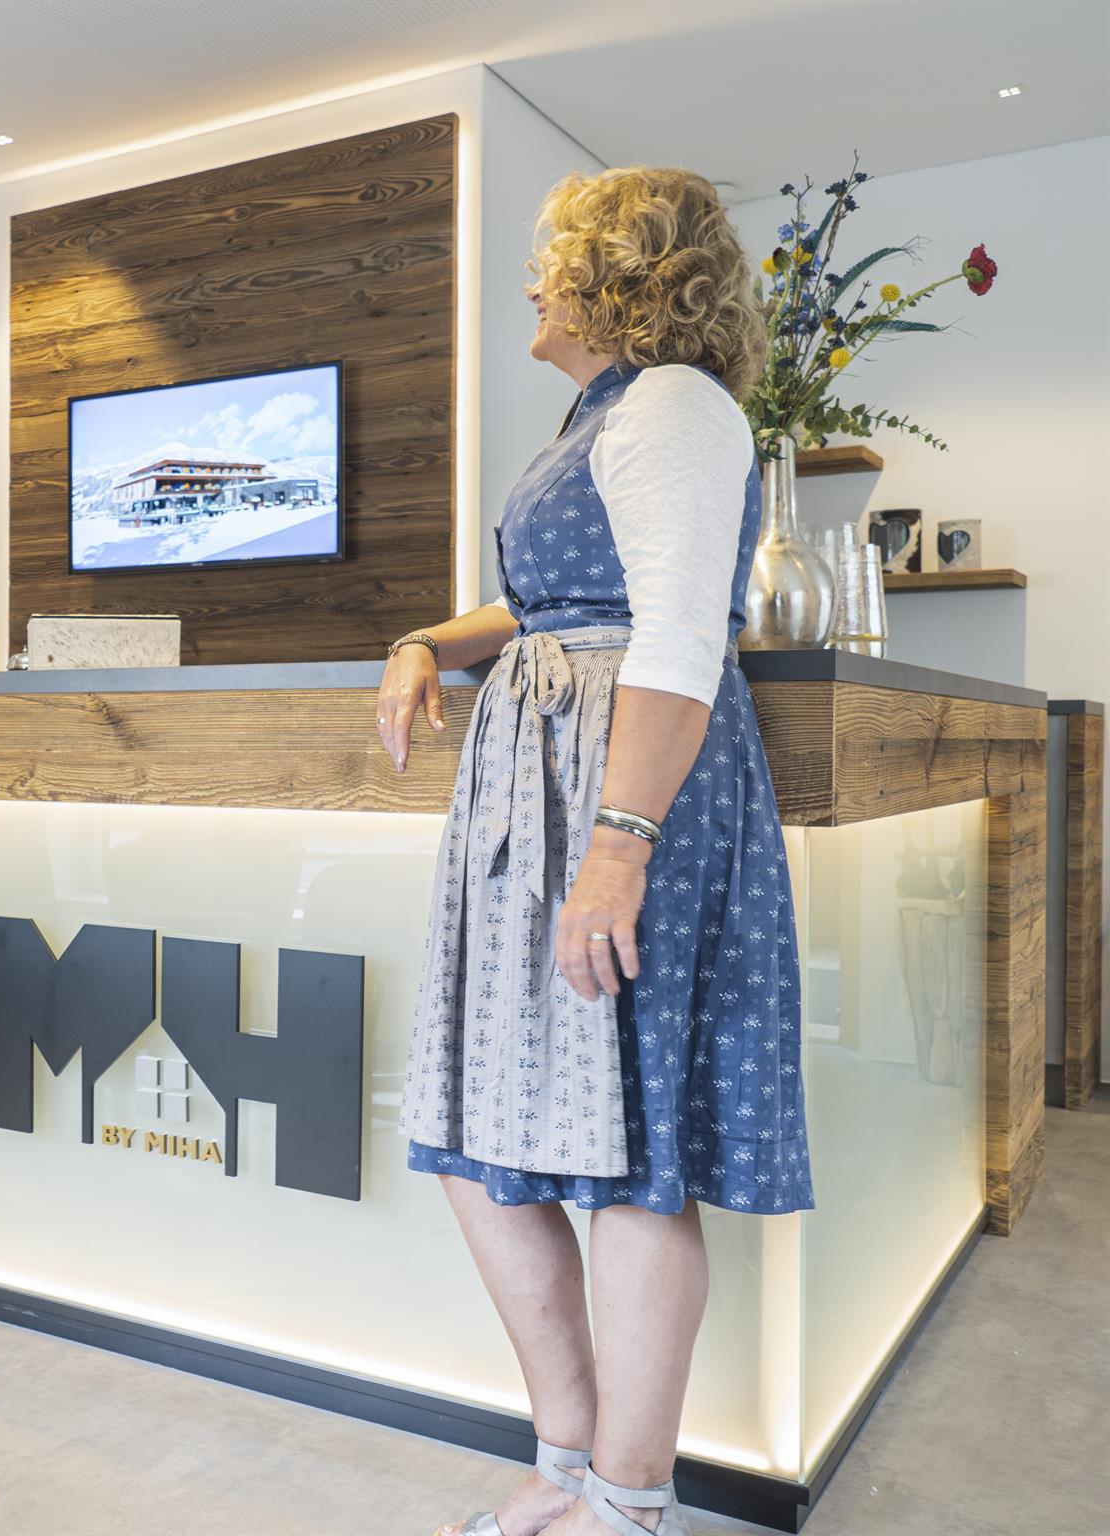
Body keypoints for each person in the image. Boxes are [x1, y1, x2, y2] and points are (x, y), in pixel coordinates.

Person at [379, 169, 801, 1536]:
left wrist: (618, 849)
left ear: (617, 276)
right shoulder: (601, 412)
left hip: (623, 789)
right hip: (540, 784)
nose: (529, 282)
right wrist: (426, 640)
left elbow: (677, 632)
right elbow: (541, 603)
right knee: (477, 1138)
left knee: (630, 1150)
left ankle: (627, 1499)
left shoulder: (676, 402)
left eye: (550, 258)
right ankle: (567, 1461)